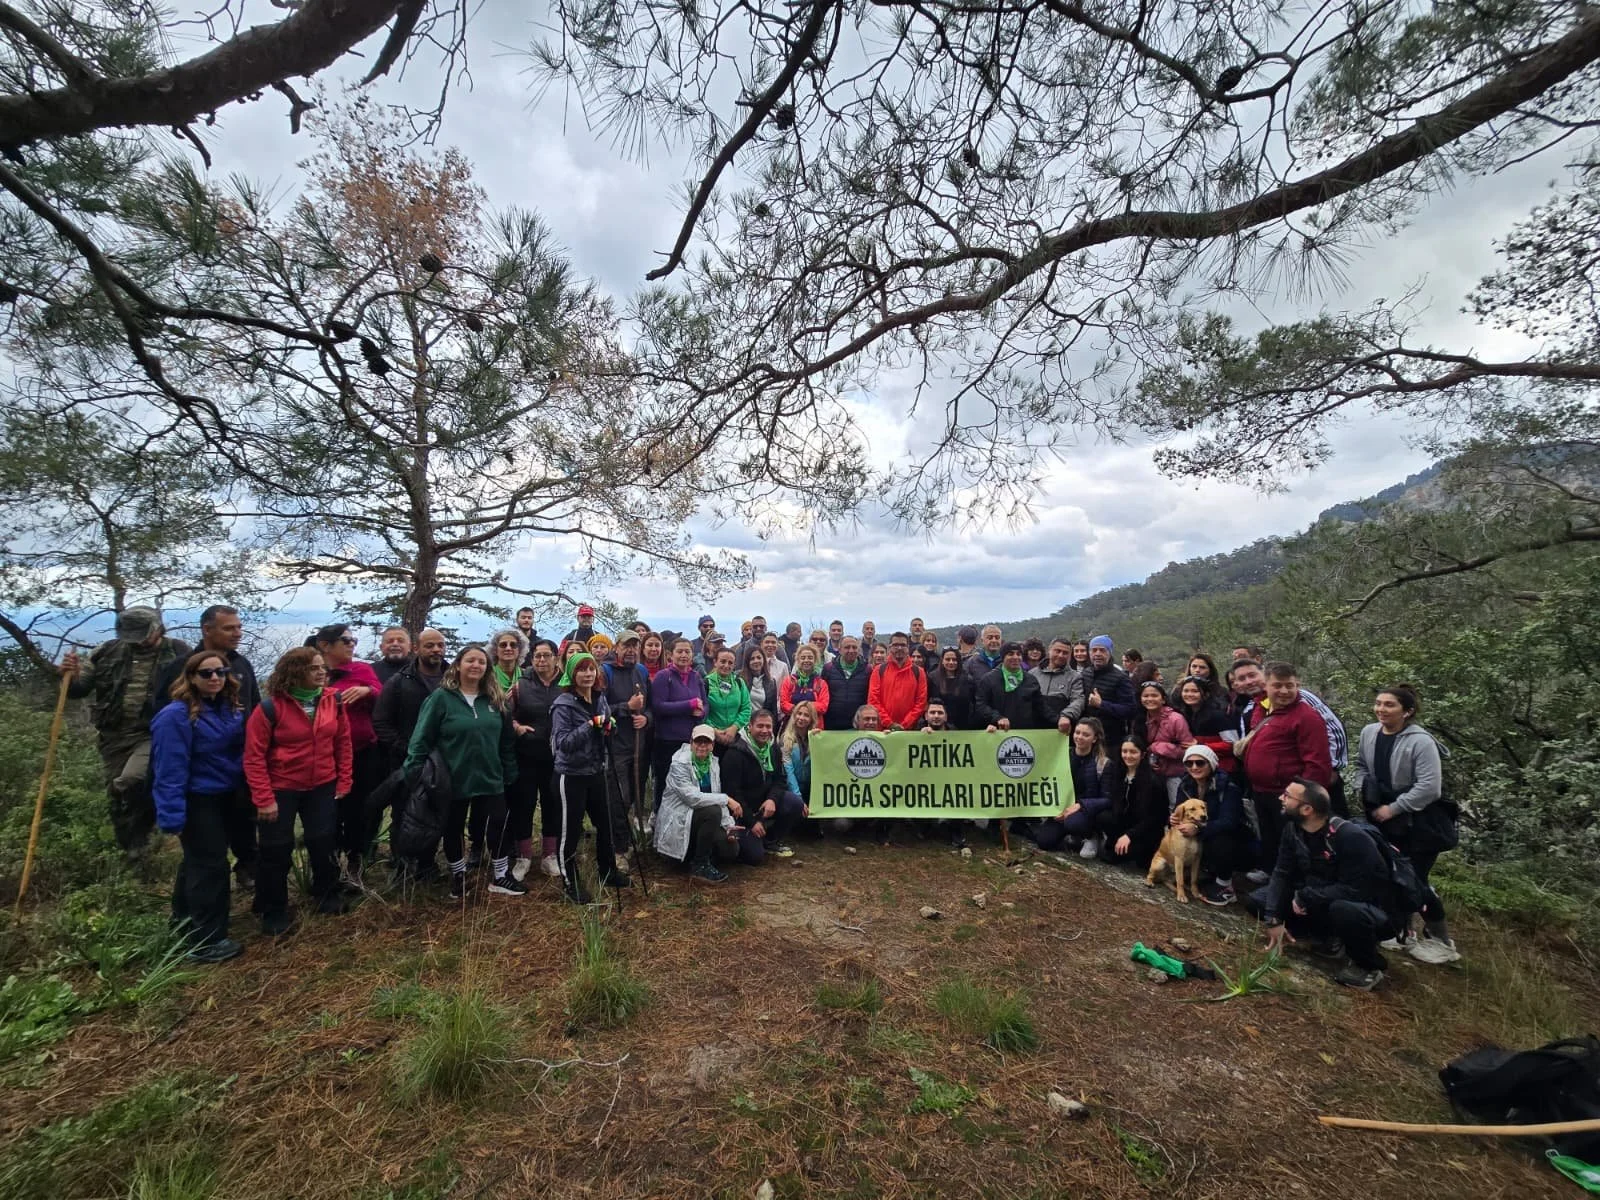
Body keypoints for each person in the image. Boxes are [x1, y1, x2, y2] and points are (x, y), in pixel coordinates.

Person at [1244, 779, 1399, 990]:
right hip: (1319, 894)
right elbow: (1281, 873)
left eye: (1287, 796)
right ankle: (1323, 936)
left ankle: (1368, 966)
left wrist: (1306, 895)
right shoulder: (1294, 829)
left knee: (1343, 910)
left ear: (1307, 809)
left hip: (1368, 908)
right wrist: (1274, 918)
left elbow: (1358, 890)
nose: (1281, 798)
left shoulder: (1350, 837)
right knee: (1258, 902)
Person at [62, 605, 191, 859]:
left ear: (157, 628)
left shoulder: (179, 652)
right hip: (114, 738)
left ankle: (150, 835)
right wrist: (70, 676)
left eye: (142, 634)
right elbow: (78, 689)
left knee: (133, 779)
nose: (138, 641)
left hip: (154, 734)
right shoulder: (105, 652)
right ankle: (133, 848)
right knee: (117, 793)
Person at [145, 604, 259, 887]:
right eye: (229, 628)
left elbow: (254, 712)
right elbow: (161, 719)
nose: (237, 633)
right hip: (198, 781)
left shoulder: (242, 665)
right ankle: (199, 921)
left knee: (243, 836)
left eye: (239, 627)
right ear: (207, 630)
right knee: (206, 856)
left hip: (236, 775)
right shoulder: (181, 667)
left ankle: (243, 880)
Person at [245, 647, 352, 933]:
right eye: (313, 668)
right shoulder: (270, 708)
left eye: (322, 667)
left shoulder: (333, 701)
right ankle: (273, 908)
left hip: (323, 784)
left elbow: (343, 743)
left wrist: (344, 780)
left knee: (323, 840)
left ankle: (326, 894)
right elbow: (254, 757)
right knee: (276, 848)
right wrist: (264, 799)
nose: (321, 672)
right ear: (295, 672)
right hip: (281, 787)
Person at [150, 651, 247, 963]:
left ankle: (183, 924)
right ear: (190, 677)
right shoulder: (175, 716)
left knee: (196, 863)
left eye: (220, 671)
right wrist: (172, 816)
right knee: (210, 867)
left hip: (225, 796)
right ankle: (206, 940)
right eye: (206, 673)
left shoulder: (229, 708)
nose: (215, 677)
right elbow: (168, 770)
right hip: (197, 799)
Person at [404, 644, 520, 899]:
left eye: (481, 662)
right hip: (452, 778)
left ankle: (501, 876)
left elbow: (506, 741)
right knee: (453, 827)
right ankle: (458, 877)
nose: (476, 665)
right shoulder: (441, 698)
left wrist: (509, 769)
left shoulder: (494, 698)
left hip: (491, 775)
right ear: (458, 665)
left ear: (487, 668)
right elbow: (421, 737)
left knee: (498, 823)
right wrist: (414, 769)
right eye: (470, 660)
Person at [1356, 685, 1459, 964]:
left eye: (1389, 705)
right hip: (1384, 817)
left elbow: (1430, 787)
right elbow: (1361, 765)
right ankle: (1403, 932)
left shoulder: (1421, 741)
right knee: (1392, 874)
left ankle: (1442, 941)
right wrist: (1365, 789)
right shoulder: (1369, 733)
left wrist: (1393, 808)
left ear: (1407, 711)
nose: (1381, 709)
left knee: (1416, 880)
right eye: (1378, 703)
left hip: (1421, 821)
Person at [1237, 662, 1333, 874]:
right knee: (1271, 839)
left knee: (1293, 844)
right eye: (1277, 685)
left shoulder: (1306, 717)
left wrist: (1303, 798)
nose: (1284, 691)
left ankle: (1293, 890)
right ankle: (1271, 877)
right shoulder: (1268, 711)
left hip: (1288, 795)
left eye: (1289, 685)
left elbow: (1317, 763)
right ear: (1267, 686)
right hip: (1262, 791)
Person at [549, 651, 629, 903]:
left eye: (591, 669)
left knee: (605, 825)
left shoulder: (600, 698)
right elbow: (563, 744)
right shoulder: (563, 705)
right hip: (570, 775)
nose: (587, 674)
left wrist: (609, 726)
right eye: (581, 669)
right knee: (569, 831)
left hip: (597, 771)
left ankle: (607, 871)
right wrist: (591, 724)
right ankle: (570, 881)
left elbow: (607, 728)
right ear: (572, 674)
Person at [309, 625, 384, 889]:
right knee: (326, 815)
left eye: (353, 640)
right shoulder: (313, 672)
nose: (352, 644)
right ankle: (325, 870)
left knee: (359, 812)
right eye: (345, 640)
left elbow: (381, 693)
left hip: (362, 753)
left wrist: (367, 691)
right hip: (323, 757)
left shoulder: (362, 670)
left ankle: (355, 866)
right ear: (325, 645)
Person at [372, 628, 448, 878]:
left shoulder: (452, 678)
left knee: (436, 812)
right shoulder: (400, 682)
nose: (436, 650)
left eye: (440, 645)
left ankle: (427, 864)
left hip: (444, 761)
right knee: (404, 813)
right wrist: (406, 748)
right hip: (407, 761)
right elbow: (382, 722)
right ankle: (402, 864)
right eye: (430, 646)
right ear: (417, 649)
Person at [508, 639, 565, 881]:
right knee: (525, 804)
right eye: (537, 656)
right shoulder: (521, 685)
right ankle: (523, 858)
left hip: (557, 758)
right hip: (527, 756)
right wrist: (516, 727)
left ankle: (549, 857)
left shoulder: (565, 685)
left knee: (553, 804)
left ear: (555, 658)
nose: (541, 660)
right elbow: (505, 714)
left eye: (546, 655)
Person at [654, 725, 740, 883]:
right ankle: (699, 866)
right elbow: (692, 798)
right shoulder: (679, 764)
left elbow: (715, 795)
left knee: (731, 850)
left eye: (706, 742)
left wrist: (729, 826)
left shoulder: (713, 763)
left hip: (698, 818)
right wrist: (727, 799)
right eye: (698, 741)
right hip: (680, 818)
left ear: (713, 745)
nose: (702, 745)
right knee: (712, 812)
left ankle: (696, 854)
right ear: (690, 742)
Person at [719, 709, 805, 861]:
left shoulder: (773, 748)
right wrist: (751, 822)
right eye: (760, 726)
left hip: (763, 805)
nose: (765, 731)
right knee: (755, 857)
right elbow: (732, 792)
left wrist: (772, 799)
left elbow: (780, 780)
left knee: (795, 803)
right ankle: (746, 836)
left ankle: (771, 841)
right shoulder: (735, 753)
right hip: (740, 811)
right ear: (750, 726)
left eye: (768, 726)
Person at [601, 633, 652, 869]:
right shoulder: (605, 672)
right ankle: (618, 849)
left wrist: (646, 718)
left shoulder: (641, 671)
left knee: (633, 796)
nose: (631, 650)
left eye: (635, 645)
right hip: (615, 746)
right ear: (616, 647)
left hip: (639, 746)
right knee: (618, 798)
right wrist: (626, 708)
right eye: (626, 645)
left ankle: (628, 841)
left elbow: (650, 706)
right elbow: (597, 711)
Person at [1173, 745, 1247, 907]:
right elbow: (1178, 810)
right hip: (1200, 833)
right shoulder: (1185, 784)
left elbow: (1229, 822)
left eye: (1200, 763)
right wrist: (1174, 819)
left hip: (1231, 838)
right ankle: (1205, 872)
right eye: (1189, 763)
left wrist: (1198, 829)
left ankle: (1225, 885)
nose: (1194, 767)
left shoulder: (1228, 787)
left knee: (1220, 839)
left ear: (1211, 764)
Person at [1035, 717, 1110, 855]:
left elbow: (1107, 798)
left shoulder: (1103, 763)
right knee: (1044, 842)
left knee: (1073, 823)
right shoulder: (1063, 754)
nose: (1080, 737)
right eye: (1077, 732)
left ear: (1094, 739)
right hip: (1062, 807)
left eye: (1086, 734)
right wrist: (1053, 808)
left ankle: (1091, 836)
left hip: (1085, 810)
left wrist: (1080, 805)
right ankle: (1070, 837)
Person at [650, 639, 708, 811]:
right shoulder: (663, 676)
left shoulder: (696, 677)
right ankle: (659, 817)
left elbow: (705, 704)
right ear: (670, 654)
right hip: (667, 740)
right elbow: (658, 706)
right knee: (665, 782)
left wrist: (701, 712)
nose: (684, 655)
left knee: (689, 782)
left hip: (690, 740)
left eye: (687, 652)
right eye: (679, 651)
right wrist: (688, 705)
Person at [1098, 736, 1167, 868]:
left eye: (1133, 752)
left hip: (1145, 831)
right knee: (1103, 816)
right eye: (1124, 751)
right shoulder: (1118, 774)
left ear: (1142, 755)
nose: (1128, 756)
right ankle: (1115, 844)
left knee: (1139, 861)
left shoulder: (1154, 781)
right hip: (1125, 825)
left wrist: (1129, 835)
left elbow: (1156, 818)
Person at [1139, 682, 1194, 803]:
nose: (1149, 699)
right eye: (1145, 696)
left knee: (1175, 806)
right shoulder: (1140, 719)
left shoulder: (1176, 719)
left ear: (1163, 699)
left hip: (1176, 772)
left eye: (1154, 695)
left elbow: (1188, 750)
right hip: (1151, 772)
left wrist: (1158, 747)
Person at [974, 642, 1049, 730]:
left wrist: (1059, 720)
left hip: (1025, 734)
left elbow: (1041, 707)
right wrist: (997, 717)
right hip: (997, 732)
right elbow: (981, 705)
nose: (1015, 657)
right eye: (1010, 654)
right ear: (1003, 657)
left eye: (1018, 654)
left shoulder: (1031, 679)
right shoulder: (989, 679)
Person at [1173, 675, 1236, 774]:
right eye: (1186, 691)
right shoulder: (1183, 715)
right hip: (1196, 770)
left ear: (1205, 694)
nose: (1189, 694)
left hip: (1221, 770)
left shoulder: (1218, 715)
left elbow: (1232, 744)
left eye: (1195, 691)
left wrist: (1201, 745)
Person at [1083, 635, 1137, 745]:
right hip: (1087, 737)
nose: (1097, 653)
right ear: (1089, 653)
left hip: (1110, 740)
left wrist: (1101, 704)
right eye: (1094, 650)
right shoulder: (1085, 673)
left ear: (1109, 653)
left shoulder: (1121, 678)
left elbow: (1130, 710)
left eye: (1102, 650)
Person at [868, 632, 928, 731]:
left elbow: (921, 702)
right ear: (890, 647)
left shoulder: (919, 672)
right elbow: (873, 700)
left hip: (910, 729)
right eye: (896, 645)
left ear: (908, 648)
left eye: (903, 645)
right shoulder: (878, 670)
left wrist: (905, 724)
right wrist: (889, 723)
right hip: (883, 730)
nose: (899, 648)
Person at [1035, 638, 1087, 731]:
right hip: (1033, 729)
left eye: (1065, 653)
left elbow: (1078, 700)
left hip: (1060, 729)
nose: (1061, 655)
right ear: (1049, 650)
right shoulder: (1033, 674)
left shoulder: (1075, 677)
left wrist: (1066, 715)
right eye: (1057, 651)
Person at [704, 646, 752, 748]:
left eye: (730, 663)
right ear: (715, 662)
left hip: (736, 737)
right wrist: (714, 730)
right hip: (711, 738)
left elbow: (746, 708)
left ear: (734, 665)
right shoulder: (705, 683)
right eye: (723, 661)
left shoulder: (739, 682)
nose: (726, 665)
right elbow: (702, 711)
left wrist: (734, 728)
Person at [821, 635, 871, 731]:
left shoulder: (867, 669)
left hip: (858, 724)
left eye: (854, 647)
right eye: (847, 647)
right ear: (839, 650)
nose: (851, 650)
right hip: (832, 724)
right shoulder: (828, 668)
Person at [779, 644, 830, 727]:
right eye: (803, 658)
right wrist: (803, 708)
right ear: (798, 660)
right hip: (791, 726)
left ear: (815, 660)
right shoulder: (789, 681)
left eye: (810, 658)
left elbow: (823, 706)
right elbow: (783, 703)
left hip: (814, 728)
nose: (806, 660)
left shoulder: (821, 683)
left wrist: (801, 708)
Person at [782, 700, 819, 807]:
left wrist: (820, 740)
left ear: (811, 719)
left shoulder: (815, 738)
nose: (801, 718)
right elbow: (789, 772)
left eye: (806, 715)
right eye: (799, 713)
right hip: (792, 790)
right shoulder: (785, 739)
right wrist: (798, 797)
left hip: (811, 790)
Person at [930, 647, 975, 730]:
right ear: (942, 661)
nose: (951, 662)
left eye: (954, 659)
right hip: (938, 726)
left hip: (963, 727)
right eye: (948, 659)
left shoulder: (968, 680)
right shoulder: (932, 678)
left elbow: (973, 704)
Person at [489, 629, 527, 696]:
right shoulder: (487, 675)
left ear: (520, 650)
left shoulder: (527, 676)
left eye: (513, 645)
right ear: (495, 650)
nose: (508, 648)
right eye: (503, 645)